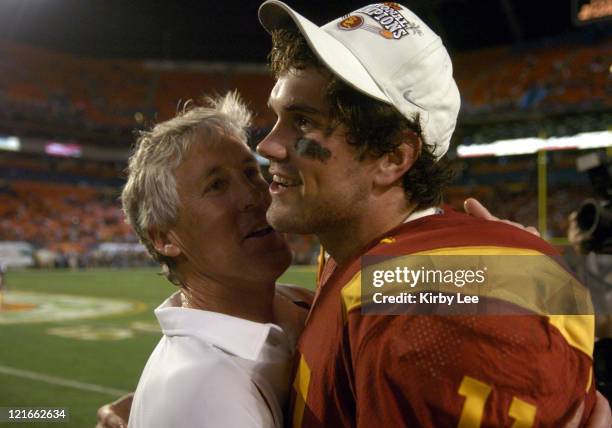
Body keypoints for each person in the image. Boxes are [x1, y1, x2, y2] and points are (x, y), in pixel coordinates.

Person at [255, 1, 606, 426]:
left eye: (304, 123)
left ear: (393, 157)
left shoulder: (428, 316)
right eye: (278, 118)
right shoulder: (358, 255)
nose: (268, 145)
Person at [119, 92, 306, 428]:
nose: (255, 196)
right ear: (164, 238)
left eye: (251, 173)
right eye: (217, 185)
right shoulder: (202, 392)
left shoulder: (294, 304)